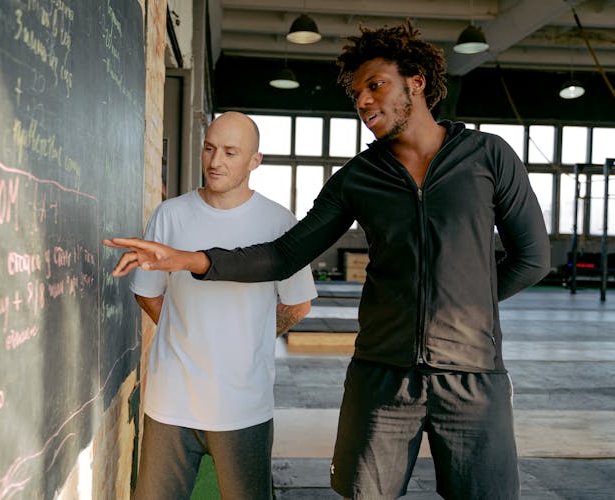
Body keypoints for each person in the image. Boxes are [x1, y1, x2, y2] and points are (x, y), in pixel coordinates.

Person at [105, 22, 550, 500]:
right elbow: (283, 254)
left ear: (416, 81)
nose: (363, 101)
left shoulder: (488, 156)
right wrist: (190, 259)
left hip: (473, 375)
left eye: (375, 85)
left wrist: (462, 310)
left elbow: (533, 258)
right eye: (356, 93)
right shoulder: (358, 178)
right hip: (381, 377)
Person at [106, 111, 317, 500]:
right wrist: (187, 331)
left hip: (244, 402)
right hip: (171, 398)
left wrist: (248, 338)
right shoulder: (171, 213)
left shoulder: (280, 222)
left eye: (230, 152)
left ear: (255, 161)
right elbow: (146, 291)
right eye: (209, 148)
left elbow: (297, 304)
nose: (215, 161)